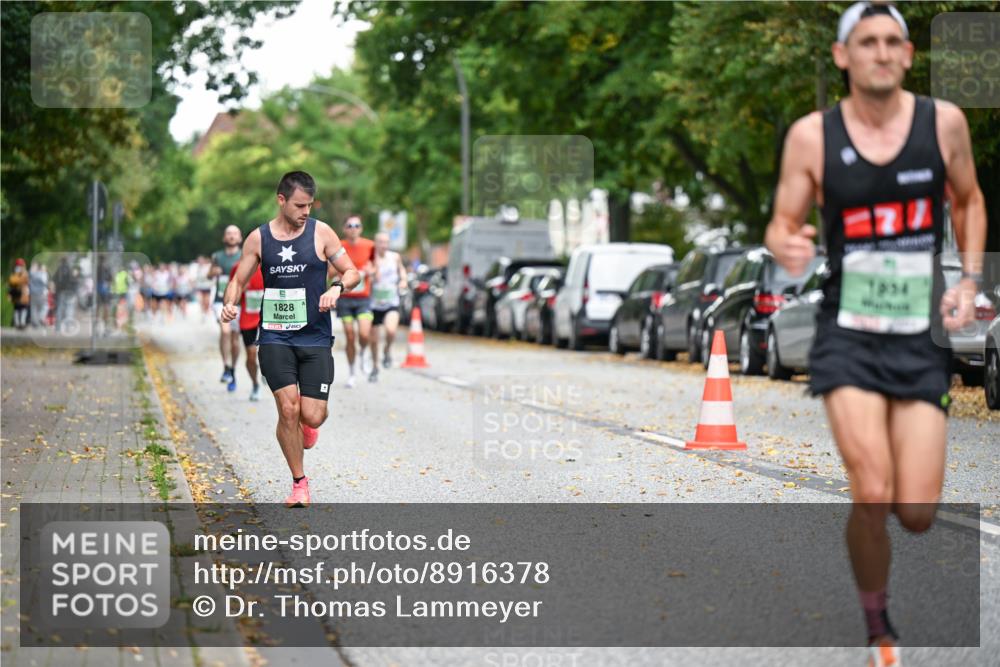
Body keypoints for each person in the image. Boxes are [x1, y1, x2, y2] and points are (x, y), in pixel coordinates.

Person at [764, 4, 987, 665]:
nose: (881, 52)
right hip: (847, 334)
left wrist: (969, 280)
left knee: (915, 509)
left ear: (909, 55)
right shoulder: (812, 136)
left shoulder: (943, 123)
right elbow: (781, 221)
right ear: (843, 57)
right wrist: (789, 246)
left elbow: (969, 200)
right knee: (872, 487)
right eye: (867, 42)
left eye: (893, 42)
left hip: (918, 335)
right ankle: (879, 628)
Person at [221, 171, 359, 507]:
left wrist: (337, 288)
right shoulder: (259, 239)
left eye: (310, 205)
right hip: (274, 338)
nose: (306, 211)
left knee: (311, 415)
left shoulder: (321, 232)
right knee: (287, 408)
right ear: (281, 200)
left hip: (315, 337)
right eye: (299, 205)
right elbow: (238, 280)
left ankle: (307, 427)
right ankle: (299, 484)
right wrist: (229, 303)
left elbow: (352, 272)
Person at [336, 215, 376, 387]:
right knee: (350, 336)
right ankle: (352, 372)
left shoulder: (370, 245)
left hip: (363, 299)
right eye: (350, 225)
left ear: (361, 228)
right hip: (345, 298)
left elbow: (376, 267)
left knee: (364, 334)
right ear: (345, 229)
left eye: (356, 225)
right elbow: (330, 270)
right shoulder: (339, 245)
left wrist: (370, 271)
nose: (353, 228)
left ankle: (364, 353)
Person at [369, 231, 408, 379]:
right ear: (375, 243)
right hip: (373, 305)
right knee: (373, 340)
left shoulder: (395, 257)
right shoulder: (371, 258)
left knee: (391, 331)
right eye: (380, 242)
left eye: (386, 242)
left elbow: (402, 270)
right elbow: (368, 276)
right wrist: (372, 273)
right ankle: (374, 367)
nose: (384, 245)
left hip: (391, 302)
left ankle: (386, 351)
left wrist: (403, 280)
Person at [210, 226, 244, 391]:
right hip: (220, 300)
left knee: (235, 340)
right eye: (229, 233)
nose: (231, 236)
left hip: (239, 301)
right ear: (224, 237)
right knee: (225, 331)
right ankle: (225, 366)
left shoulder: (245, 256)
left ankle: (233, 369)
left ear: (240, 237)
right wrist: (213, 271)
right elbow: (209, 275)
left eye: (235, 234)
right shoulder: (217, 256)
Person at [229, 261, 265, 401]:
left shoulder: (274, 262)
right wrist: (240, 289)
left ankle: (268, 370)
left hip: (269, 317)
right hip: (247, 318)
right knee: (251, 355)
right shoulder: (239, 267)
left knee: (270, 351)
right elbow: (232, 292)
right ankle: (255, 384)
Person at [7, 259, 30, 329]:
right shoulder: (24, 273)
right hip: (22, 294)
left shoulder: (13, 273)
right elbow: (27, 282)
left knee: (17, 309)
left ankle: (17, 323)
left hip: (15, 294)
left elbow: (10, 285)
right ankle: (21, 323)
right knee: (23, 308)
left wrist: (9, 294)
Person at [29, 261, 49, 328]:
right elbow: (45, 284)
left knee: (34, 308)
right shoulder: (41, 275)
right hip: (40, 293)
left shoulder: (30, 274)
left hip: (32, 293)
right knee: (45, 306)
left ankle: (35, 323)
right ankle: (41, 317)